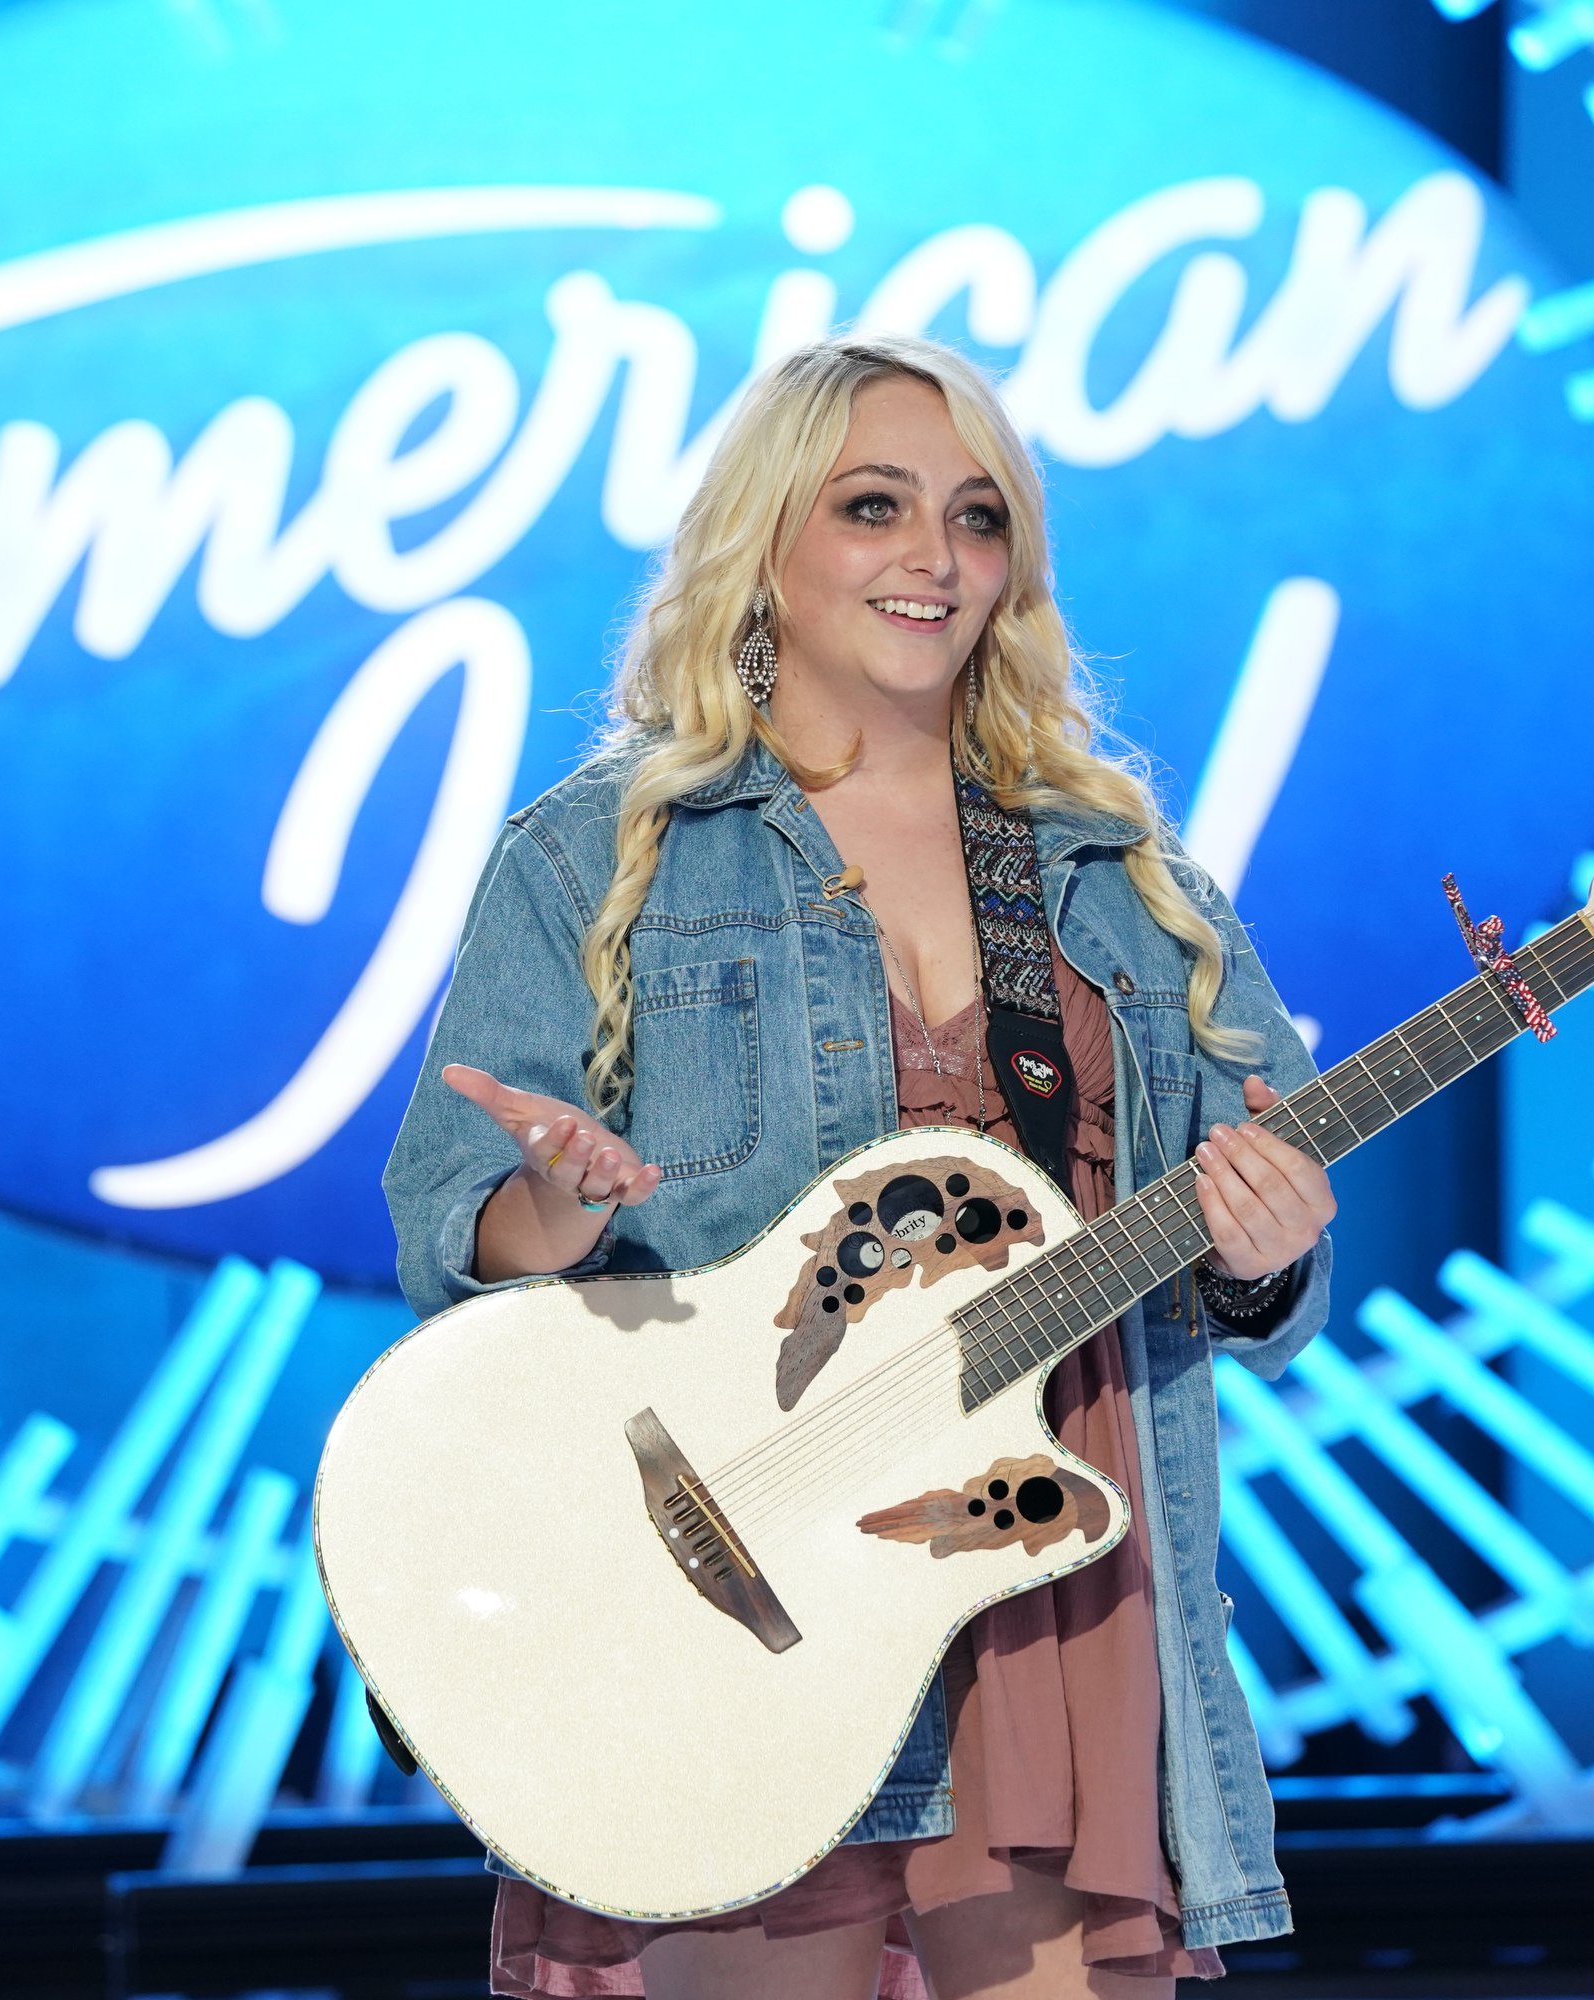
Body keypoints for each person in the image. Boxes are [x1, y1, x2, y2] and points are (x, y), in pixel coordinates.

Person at [379, 333, 1338, 2000]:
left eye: (976, 520)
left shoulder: (1111, 869)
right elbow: (457, 1229)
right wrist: (560, 1203)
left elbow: (1242, 1240)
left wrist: (1258, 1247)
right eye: (874, 507)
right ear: (766, 540)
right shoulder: (601, 853)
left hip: (1046, 1568)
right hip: (742, 1581)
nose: (933, 558)